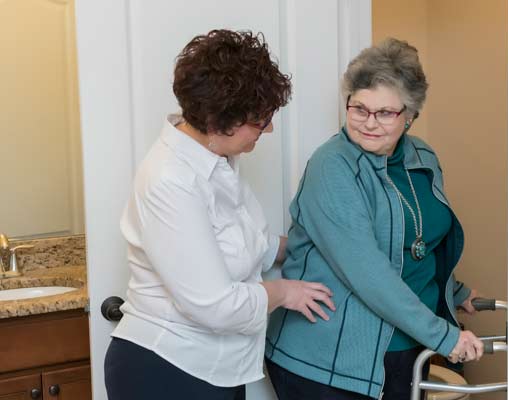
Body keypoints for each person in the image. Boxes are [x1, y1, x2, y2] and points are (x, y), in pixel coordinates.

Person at [104, 29, 335, 400]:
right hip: (166, 371)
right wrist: (284, 292)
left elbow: (248, 245)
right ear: (219, 120)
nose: (269, 128)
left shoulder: (217, 159)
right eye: (260, 120)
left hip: (219, 369)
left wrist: (312, 246)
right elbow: (215, 305)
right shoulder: (170, 180)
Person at [265, 38, 484, 400]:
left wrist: (453, 290)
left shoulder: (423, 158)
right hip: (329, 361)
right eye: (358, 109)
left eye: (385, 113)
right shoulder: (332, 167)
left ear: (410, 114)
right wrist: (444, 335)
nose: (369, 123)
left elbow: (418, 243)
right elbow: (368, 272)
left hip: (409, 347)